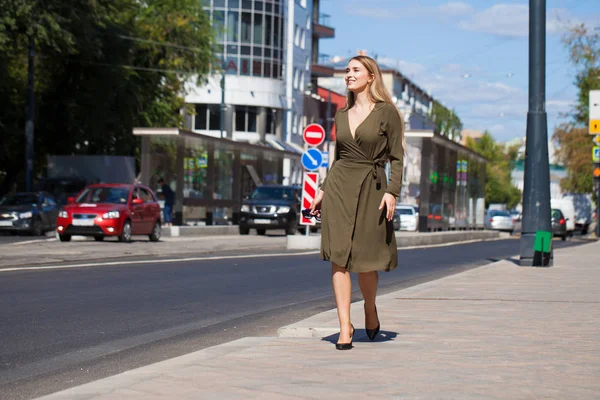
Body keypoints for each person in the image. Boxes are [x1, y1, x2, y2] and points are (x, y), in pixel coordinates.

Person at [310, 55, 405, 350]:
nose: (348, 75)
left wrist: (392, 191)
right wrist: (323, 190)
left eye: (355, 70)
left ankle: (369, 307)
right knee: (339, 258)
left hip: (371, 189)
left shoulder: (386, 112)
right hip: (339, 187)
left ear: (370, 77)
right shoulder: (341, 114)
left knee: (365, 261)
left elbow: (397, 157)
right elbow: (338, 159)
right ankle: (344, 327)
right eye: (347, 71)